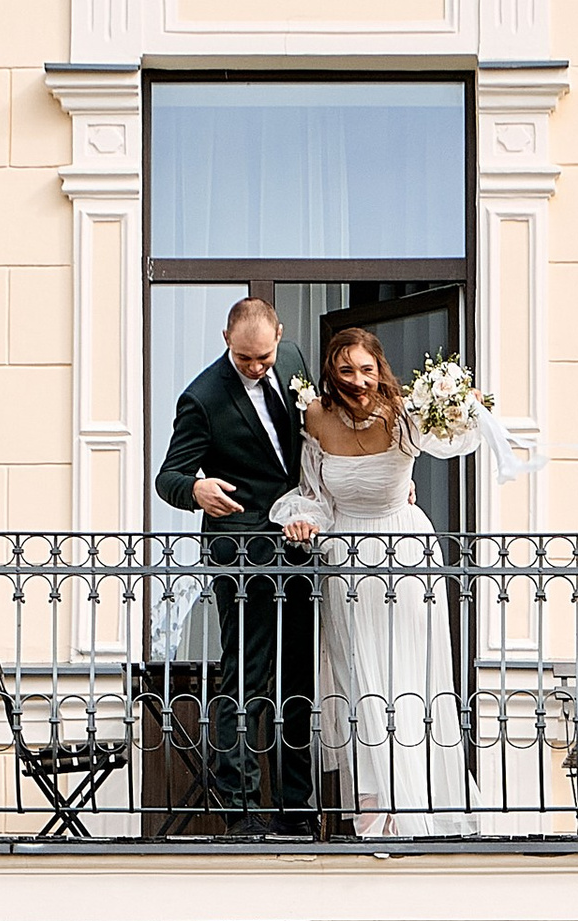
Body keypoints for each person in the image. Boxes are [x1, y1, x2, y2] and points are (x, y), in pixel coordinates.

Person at [272, 321, 488, 838]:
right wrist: (304, 521)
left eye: (366, 368)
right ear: (331, 370)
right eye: (346, 368)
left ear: (379, 368)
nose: (357, 378)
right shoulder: (315, 416)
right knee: (359, 680)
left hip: (404, 555)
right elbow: (316, 494)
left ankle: (422, 800)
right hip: (346, 557)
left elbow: (458, 438)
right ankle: (374, 806)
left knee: (406, 677)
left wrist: (464, 405)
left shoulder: (406, 413)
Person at [153, 297, 319, 829]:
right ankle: (243, 810)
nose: (255, 367)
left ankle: (297, 809)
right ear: (227, 338)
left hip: (300, 546)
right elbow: (168, 478)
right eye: (245, 358)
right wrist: (196, 488)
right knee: (245, 679)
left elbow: (318, 437)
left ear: (280, 338)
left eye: (263, 358)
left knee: (298, 678)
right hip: (241, 554)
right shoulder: (201, 398)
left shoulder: (292, 359)